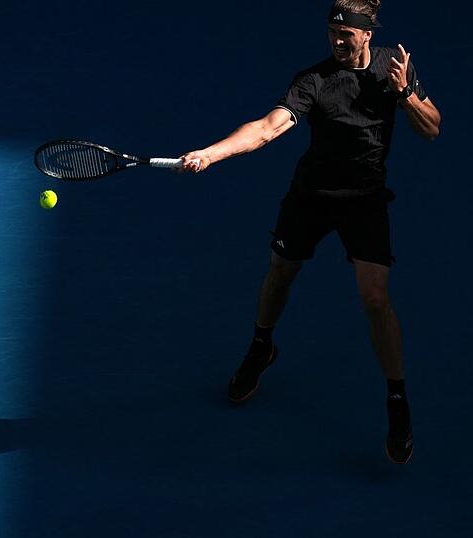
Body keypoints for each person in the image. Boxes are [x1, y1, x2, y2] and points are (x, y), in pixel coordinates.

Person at [178, 0, 441, 464]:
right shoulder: (314, 81)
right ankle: (262, 345)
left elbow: (432, 128)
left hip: (365, 200)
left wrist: (404, 93)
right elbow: (266, 128)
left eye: (346, 35)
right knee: (281, 271)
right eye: (332, 33)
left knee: (375, 298)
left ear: (367, 35)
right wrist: (211, 153)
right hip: (311, 196)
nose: (337, 41)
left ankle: (397, 397)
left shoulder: (393, 68)